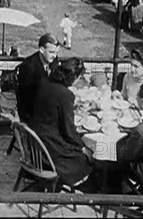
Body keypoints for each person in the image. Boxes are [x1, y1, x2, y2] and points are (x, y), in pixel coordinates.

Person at [29, 59, 96, 189]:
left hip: (36, 145)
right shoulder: (65, 95)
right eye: (79, 77)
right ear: (74, 77)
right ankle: (91, 185)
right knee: (92, 154)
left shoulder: (44, 83)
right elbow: (69, 131)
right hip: (51, 153)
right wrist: (83, 147)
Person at [15, 33, 60, 123]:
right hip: (31, 113)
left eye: (56, 52)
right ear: (42, 50)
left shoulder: (53, 59)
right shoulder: (28, 67)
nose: (54, 56)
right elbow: (28, 97)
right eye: (51, 52)